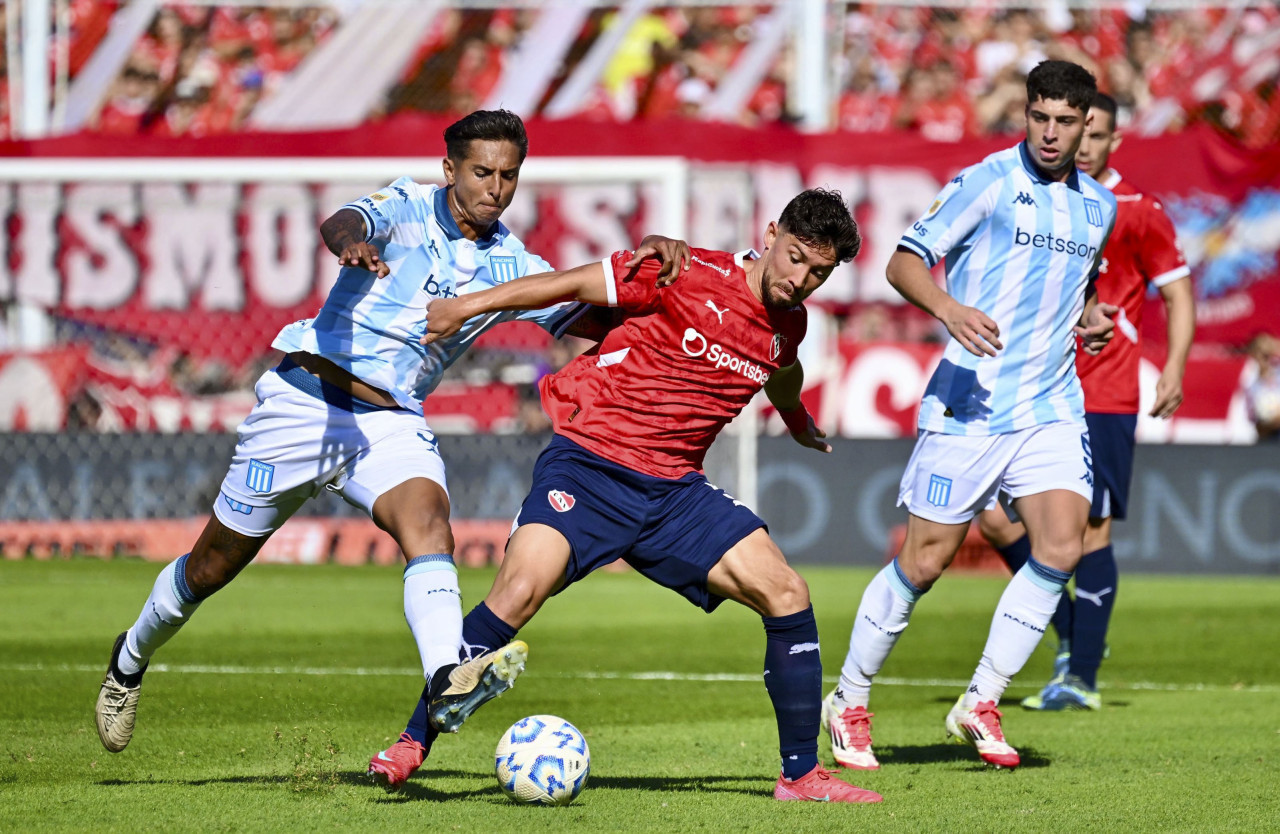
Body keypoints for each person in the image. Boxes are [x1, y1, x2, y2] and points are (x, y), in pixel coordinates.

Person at [94, 109, 689, 755]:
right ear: (449, 169)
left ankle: (445, 676)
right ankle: (129, 659)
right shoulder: (403, 205)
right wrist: (349, 243)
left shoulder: (512, 263)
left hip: (390, 422)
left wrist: (653, 280)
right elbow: (343, 222)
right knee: (210, 568)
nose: (495, 187)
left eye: (509, 176)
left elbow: (593, 317)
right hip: (304, 403)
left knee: (429, 521)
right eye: (482, 172)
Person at [370, 188, 883, 803]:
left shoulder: (788, 323)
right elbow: (566, 284)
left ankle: (800, 776)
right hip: (589, 467)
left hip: (674, 494)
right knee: (518, 592)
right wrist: (467, 306)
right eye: (796, 257)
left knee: (787, 592)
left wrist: (796, 418)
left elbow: (784, 367)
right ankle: (413, 739)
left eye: (819, 273)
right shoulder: (682, 270)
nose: (801, 280)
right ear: (771, 234)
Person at [822, 60, 1118, 772]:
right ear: (1027, 114)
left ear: (1088, 128)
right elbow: (903, 262)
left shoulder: (1098, 208)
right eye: (1038, 117)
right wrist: (948, 309)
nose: (1048, 133)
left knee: (1062, 544)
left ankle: (982, 699)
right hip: (971, 404)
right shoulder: (986, 181)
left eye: (1063, 122)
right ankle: (849, 699)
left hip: (1050, 404)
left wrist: (1090, 314)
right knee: (924, 562)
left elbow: (1073, 286)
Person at [977, 91, 1196, 711]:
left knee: (1090, 532)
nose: (1083, 143)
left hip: (1100, 393)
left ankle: (1081, 677)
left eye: (1095, 134)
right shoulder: (1038, 197)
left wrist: (1173, 366)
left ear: (1112, 141)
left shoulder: (1135, 210)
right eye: (1078, 131)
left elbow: (1178, 293)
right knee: (992, 517)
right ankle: (1075, 638)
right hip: (1028, 384)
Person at [1244, 332, 1280, 443]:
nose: (1264, 359)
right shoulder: (1250, 378)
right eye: (1260, 354)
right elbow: (1251, 415)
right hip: (1264, 435)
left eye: (1267, 355)